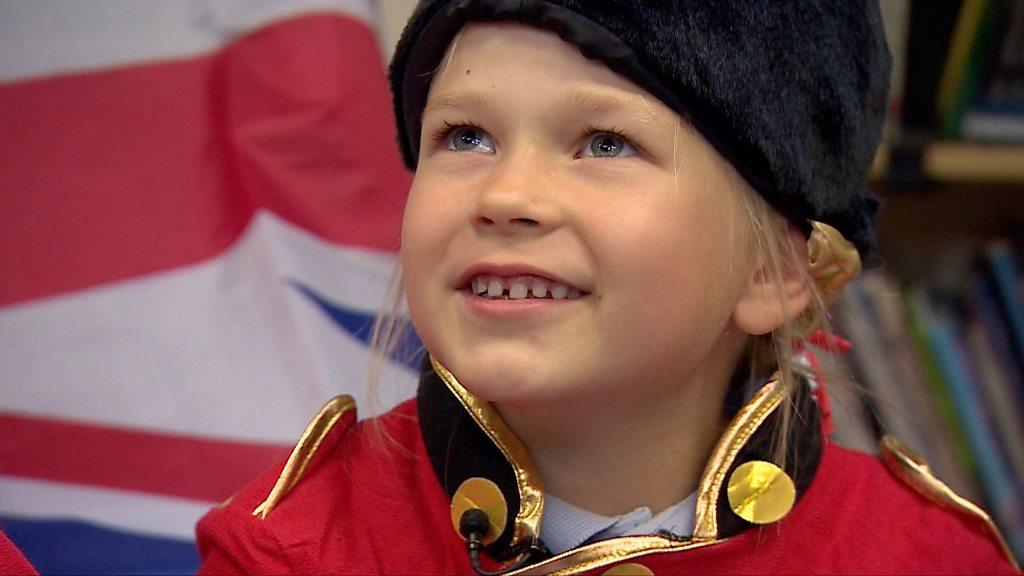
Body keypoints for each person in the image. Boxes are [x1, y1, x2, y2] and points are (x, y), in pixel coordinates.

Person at [196, 2, 1020, 574]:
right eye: (466, 135)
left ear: (773, 271)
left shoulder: (931, 560)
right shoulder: (289, 552)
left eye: (604, 143)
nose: (507, 195)